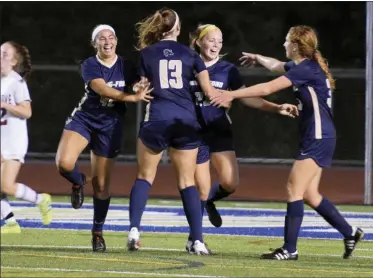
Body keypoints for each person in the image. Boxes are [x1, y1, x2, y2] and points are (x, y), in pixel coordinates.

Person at [211, 25, 364, 260]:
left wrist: (231, 94)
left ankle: (290, 249)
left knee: (293, 188)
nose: (283, 44)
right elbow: (275, 66)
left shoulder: (307, 70)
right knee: (310, 194)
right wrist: (257, 57)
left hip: (318, 136)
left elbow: (268, 87)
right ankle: (350, 232)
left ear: (295, 45)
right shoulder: (303, 67)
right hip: (319, 135)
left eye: (286, 41)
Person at [185, 24, 299, 252]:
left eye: (220, 40)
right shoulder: (185, 66)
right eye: (211, 40)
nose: (216, 45)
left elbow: (249, 98)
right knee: (200, 186)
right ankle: (195, 239)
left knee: (230, 182)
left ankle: (208, 202)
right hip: (192, 133)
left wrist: (277, 108)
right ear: (198, 41)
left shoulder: (228, 70)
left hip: (218, 131)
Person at [127, 8, 223, 256]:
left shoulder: (147, 53)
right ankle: (198, 240)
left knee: (144, 177)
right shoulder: (191, 54)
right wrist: (230, 96)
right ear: (178, 29)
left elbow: (141, 85)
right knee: (187, 182)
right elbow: (209, 91)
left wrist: (138, 88)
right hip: (185, 122)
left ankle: (135, 230)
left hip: (157, 118)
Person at [55, 24, 152, 252]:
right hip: (86, 119)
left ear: (116, 41)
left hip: (110, 126)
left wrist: (139, 84)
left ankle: (97, 232)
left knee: (101, 184)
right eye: (101, 38)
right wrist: (131, 97)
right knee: (64, 164)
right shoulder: (90, 64)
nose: (107, 41)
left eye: (110, 37)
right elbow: (102, 89)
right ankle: (78, 181)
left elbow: (140, 82)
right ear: (94, 44)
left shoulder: (126, 65)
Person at [1, 41, 52, 234]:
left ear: (14, 61)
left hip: (14, 141)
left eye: (4, 54)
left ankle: (42, 200)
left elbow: (27, 111)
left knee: (6, 185)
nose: (0, 57)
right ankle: (11, 224)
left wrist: (6, 105)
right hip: (1, 140)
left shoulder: (17, 82)